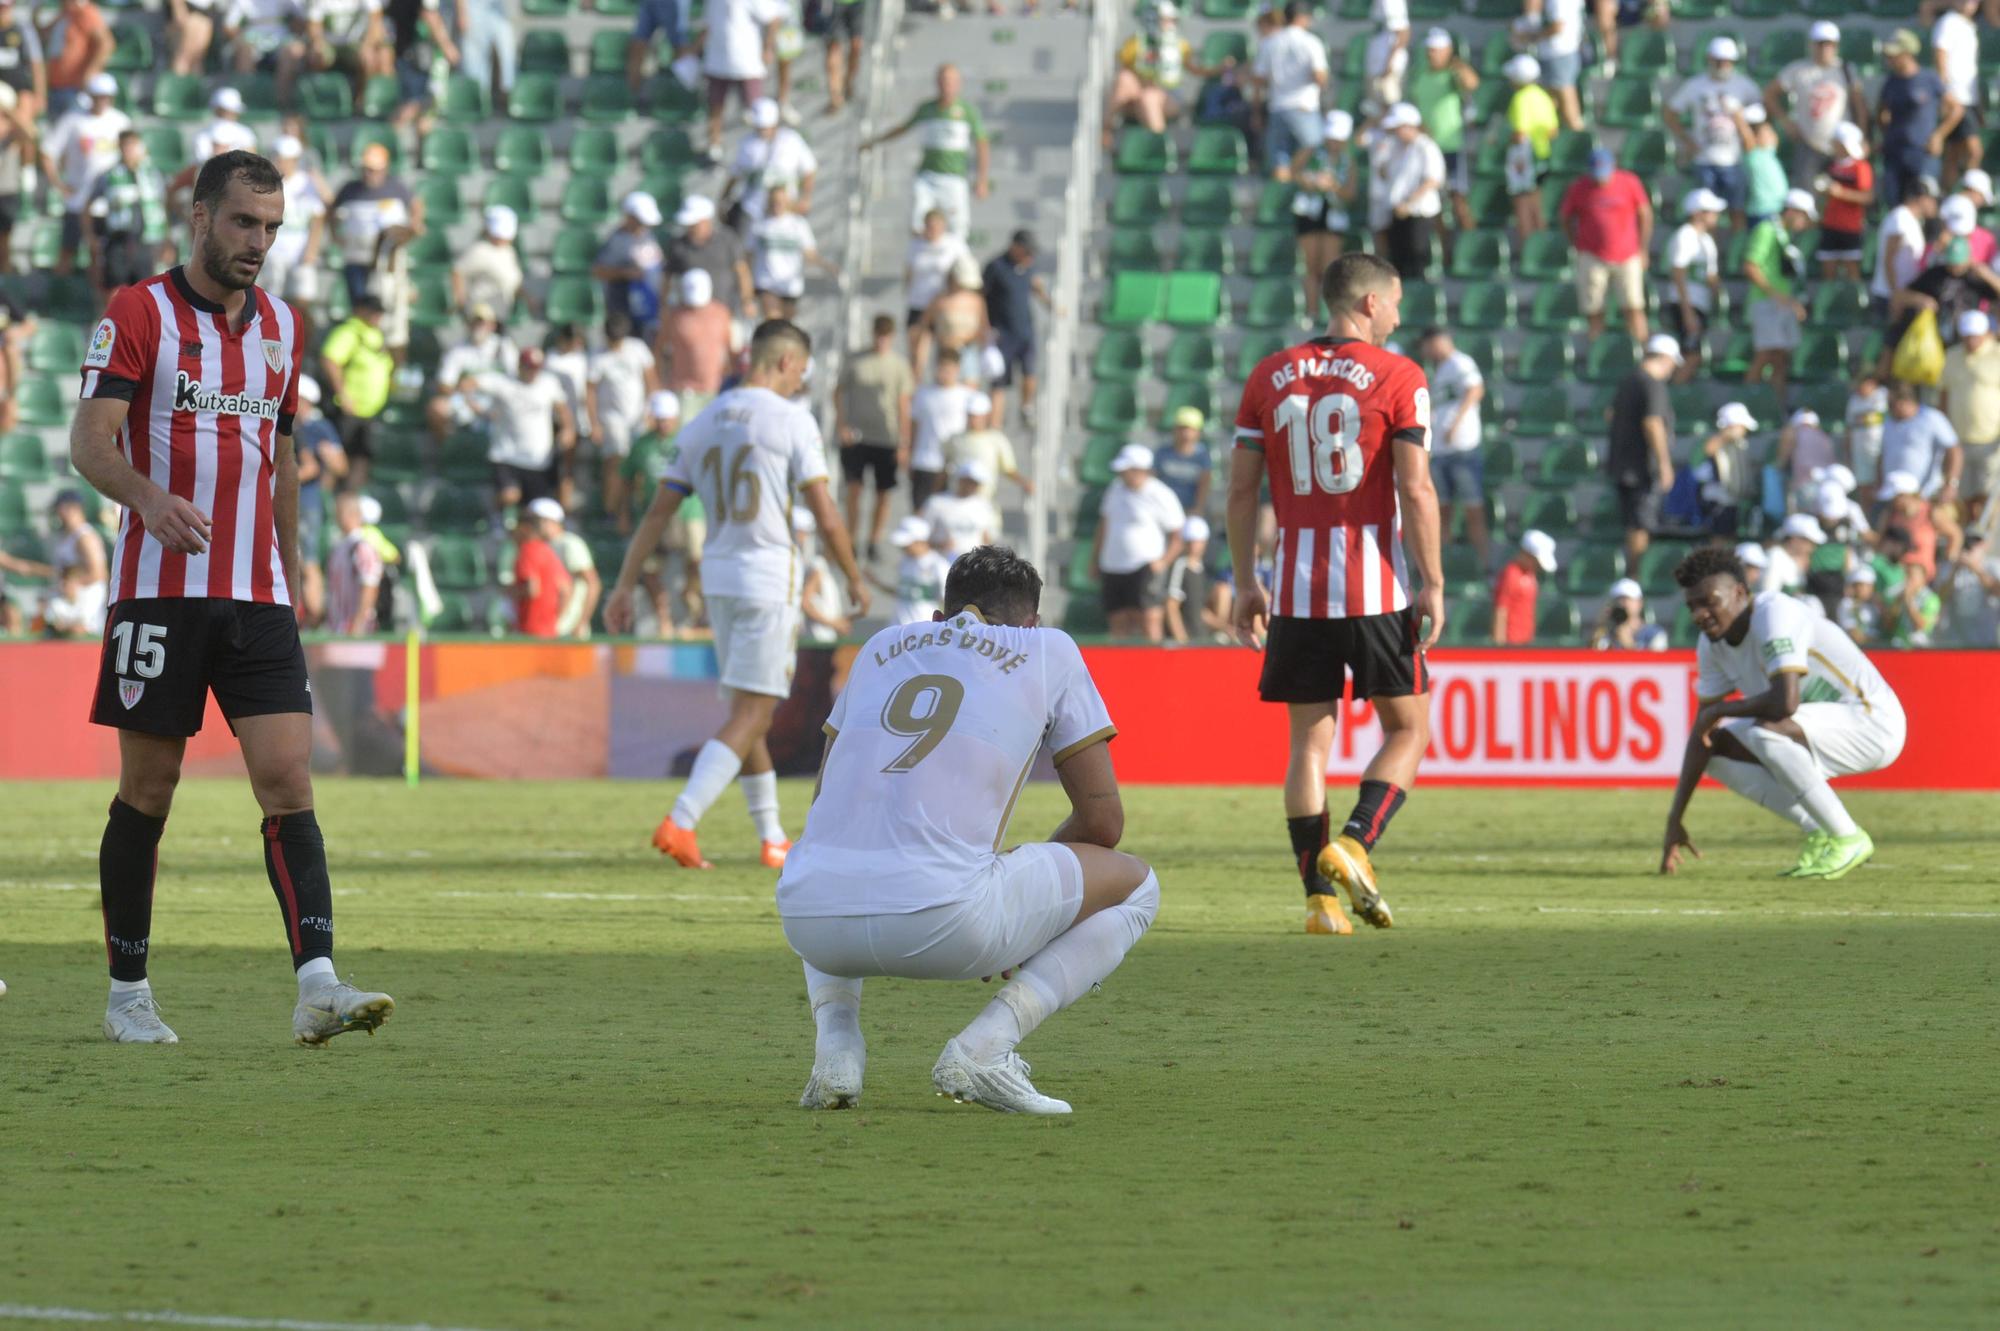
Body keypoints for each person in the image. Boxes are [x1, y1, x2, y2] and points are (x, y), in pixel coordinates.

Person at [70, 149, 393, 1046]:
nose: (260, 242)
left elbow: (282, 461)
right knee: (150, 785)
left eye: (274, 227)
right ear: (201, 217)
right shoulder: (139, 312)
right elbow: (90, 443)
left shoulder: (284, 327)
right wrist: (148, 498)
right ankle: (127, 994)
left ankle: (318, 985)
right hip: (157, 595)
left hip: (256, 595)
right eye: (245, 222)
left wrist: (291, 570)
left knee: (289, 779)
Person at [777, 545, 1156, 1115]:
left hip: (809, 921)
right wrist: (1033, 920)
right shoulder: (1048, 648)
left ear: (939, 615)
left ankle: (836, 1047)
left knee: (837, 845)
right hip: (950, 924)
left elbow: (827, 796)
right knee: (1139, 887)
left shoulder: (880, 646)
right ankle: (987, 1047)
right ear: (1030, 624)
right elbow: (1104, 822)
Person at [605, 320, 871, 871]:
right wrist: (854, 575)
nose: (800, 382)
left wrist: (626, 582)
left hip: (720, 577)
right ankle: (682, 819)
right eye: (800, 371)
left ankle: (773, 838)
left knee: (748, 713)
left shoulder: (701, 422)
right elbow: (824, 511)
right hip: (767, 575)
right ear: (782, 362)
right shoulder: (792, 420)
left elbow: (659, 510)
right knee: (754, 712)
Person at [1226, 252, 1439, 936]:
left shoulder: (1268, 374)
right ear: (1371, 303)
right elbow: (1415, 487)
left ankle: (1319, 903)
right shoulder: (1400, 375)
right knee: (1408, 727)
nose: (1401, 314)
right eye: (1397, 300)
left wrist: (1244, 580)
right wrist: (1432, 579)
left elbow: (1239, 489)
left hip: (1294, 589)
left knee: (1308, 747)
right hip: (1373, 584)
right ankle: (1353, 843)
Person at [1662, 546, 1905, 881]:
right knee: (1715, 749)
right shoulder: (1712, 644)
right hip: (1816, 725)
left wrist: (1720, 709)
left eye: (1709, 601)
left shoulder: (1775, 614)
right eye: (1692, 606)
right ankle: (1821, 830)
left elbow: (1784, 702)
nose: (1699, 614)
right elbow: (1701, 733)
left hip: (1874, 723)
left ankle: (1847, 837)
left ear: (1740, 592)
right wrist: (1675, 818)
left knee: (1766, 731)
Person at [865, 63, 989, 238]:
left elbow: (982, 144)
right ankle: (918, 261)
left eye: (951, 81)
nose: (947, 86)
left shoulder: (967, 111)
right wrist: (875, 141)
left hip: (954, 178)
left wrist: (981, 179)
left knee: (958, 229)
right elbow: (903, 128)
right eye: (944, 81)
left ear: (959, 84)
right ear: (937, 83)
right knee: (918, 223)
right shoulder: (927, 109)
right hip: (927, 176)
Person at [834, 314, 913, 560]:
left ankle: (873, 539)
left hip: (886, 437)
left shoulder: (899, 365)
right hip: (857, 436)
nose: (881, 341)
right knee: (854, 489)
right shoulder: (856, 360)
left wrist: (904, 441)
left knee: (883, 493)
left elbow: (903, 405)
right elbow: (838, 392)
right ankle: (851, 537)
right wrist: (841, 425)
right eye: (878, 335)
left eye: (886, 336)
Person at [39, 72, 129, 277]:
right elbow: (47, 152)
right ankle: (59, 297)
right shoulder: (73, 120)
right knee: (67, 252)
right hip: (77, 200)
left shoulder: (121, 122)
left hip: (107, 202)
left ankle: (97, 304)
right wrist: (59, 185)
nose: (102, 100)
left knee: (100, 256)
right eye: (98, 95)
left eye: (106, 96)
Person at [1560, 146, 1653, 343]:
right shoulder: (1579, 187)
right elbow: (1566, 217)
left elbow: (1645, 214)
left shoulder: (1629, 182)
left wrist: (1642, 249)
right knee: (1594, 310)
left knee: (1634, 307)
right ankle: (1597, 356)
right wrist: (1576, 244)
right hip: (1592, 255)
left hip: (1628, 254)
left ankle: (1641, 353)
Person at [1095, 445, 1185, 643]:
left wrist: (1162, 563)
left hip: (1144, 567)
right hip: (1113, 566)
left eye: (1126, 470)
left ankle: (1154, 669)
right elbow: (1104, 526)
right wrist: (1096, 560)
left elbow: (1177, 537)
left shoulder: (1161, 494)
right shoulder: (1114, 489)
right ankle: (1120, 669)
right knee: (1118, 620)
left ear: (1141, 470)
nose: (1122, 475)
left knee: (1149, 620)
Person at [1666, 36, 1758, 228]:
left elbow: (1760, 112)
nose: (1722, 65)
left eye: (1726, 61)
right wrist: (1687, 140)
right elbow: (1670, 113)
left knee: (1737, 211)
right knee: (1705, 216)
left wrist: (1744, 122)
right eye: (1718, 60)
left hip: (1734, 160)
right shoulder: (1695, 85)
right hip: (1704, 160)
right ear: (1709, 59)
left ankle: (1736, 252)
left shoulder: (1743, 84)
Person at [1419, 327, 1488, 569]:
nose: (1426, 351)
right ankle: (1443, 565)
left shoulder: (1460, 362)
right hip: (1441, 452)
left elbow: (1476, 389)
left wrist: (1455, 424)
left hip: (1462, 448)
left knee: (1473, 509)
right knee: (1442, 512)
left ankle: (1483, 564)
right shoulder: (1439, 371)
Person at [474, 346, 576, 511]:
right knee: (509, 494)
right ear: (520, 366)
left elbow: (563, 410)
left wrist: (568, 430)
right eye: (529, 367)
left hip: (538, 459)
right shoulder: (503, 382)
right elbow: (469, 383)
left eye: (536, 368)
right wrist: (477, 408)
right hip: (506, 454)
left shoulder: (549, 384)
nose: (532, 372)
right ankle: (494, 518)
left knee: (534, 507)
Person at [1607, 334, 1680, 564]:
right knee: (1640, 525)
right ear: (1666, 359)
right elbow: (1653, 423)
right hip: (1641, 468)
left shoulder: (1629, 380)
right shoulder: (1652, 384)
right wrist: (1664, 463)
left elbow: (1610, 415)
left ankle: (1633, 574)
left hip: (1622, 464)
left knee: (1633, 524)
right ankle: (1636, 576)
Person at [1284, 111, 1358, 326]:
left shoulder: (1348, 162)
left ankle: (1329, 315)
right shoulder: (1310, 152)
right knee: (1311, 265)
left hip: (1334, 215)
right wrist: (1310, 181)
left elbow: (1350, 195)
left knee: (1329, 267)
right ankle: (1312, 311)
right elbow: (1293, 172)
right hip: (1309, 212)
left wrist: (1333, 186)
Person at [587, 311, 660, 526]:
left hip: (639, 416)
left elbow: (651, 380)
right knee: (615, 464)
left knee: (638, 467)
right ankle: (611, 512)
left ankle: (633, 513)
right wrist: (594, 424)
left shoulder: (637, 349)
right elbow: (590, 391)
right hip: (612, 419)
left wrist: (651, 411)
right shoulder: (597, 356)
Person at [317, 292, 393, 489]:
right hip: (348, 410)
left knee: (362, 457)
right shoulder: (349, 332)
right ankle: (328, 505)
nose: (377, 316)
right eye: (373, 311)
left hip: (369, 411)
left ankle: (351, 501)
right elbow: (330, 360)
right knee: (337, 459)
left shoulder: (376, 335)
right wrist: (342, 394)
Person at [1405, 29, 1476, 238]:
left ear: (1447, 51)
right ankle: (1445, 252)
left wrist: (1458, 65)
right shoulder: (1421, 77)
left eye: (1437, 50)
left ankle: (1469, 243)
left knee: (1458, 200)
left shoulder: (1453, 75)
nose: (1432, 55)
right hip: (1428, 150)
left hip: (1451, 147)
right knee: (1433, 204)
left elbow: (1472, 83)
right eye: (1430, 51)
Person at [84, 130, 168, 305]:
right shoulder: (109, 175)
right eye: (126, 147)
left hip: (146, 241)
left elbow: (162, 207)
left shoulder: (153, 175)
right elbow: (87, 206)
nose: (130, 151)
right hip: (118, 240)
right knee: (114, 292)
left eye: (133, 146)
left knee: (147, 294)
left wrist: (166, 240)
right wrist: (91, 237)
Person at [700, 0, 787, 161]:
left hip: (747, 62)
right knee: (715, 106)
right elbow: (707, 25)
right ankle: (714, 146)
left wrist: (768, 47)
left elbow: (774, 16)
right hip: (717, 62)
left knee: (757, 110)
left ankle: (764, 152)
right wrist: (695, 49)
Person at [1877, 29, 1954, 213]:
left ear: (1907, 54)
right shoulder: (1891, 81)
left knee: (1925, 204)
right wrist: (1886, 135)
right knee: (1895, 207)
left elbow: (1955, 109)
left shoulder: (1929, 79)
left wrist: (1938, 135)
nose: (1890, 59)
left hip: (1922, 153)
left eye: (1894, 55)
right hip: (1895, 153)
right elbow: (1881, 112)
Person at [1249, 2, 1328, 172]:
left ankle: (1283, 193)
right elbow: (1320, 77)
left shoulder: (1270, 43)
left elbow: (1257, 80)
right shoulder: (1311, 42)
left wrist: (1256, 112)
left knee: (1280, 165)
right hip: (1304, 107)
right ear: (1301, 17)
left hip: (1277, 108)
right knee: (1313, 159)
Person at [291, 375, 343, 621]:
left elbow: (340, 466)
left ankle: (313, 617)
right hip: (298, 502)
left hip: (307, 502)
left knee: (308, 560)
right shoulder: (293, 427)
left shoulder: (319, 428)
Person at [426, 301, 517, 442]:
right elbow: (444, 384)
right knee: (437, 408)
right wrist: (464, 396)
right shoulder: (457, 351)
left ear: (492, 326)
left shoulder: (505, 347)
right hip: (466, 401)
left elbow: (515, 380)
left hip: (498, 401)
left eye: (483, 323)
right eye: (475, 322)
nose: (478, 327)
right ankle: (447, 451)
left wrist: (482, 384)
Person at [982, 230, 1047, 426]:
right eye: (1027, 251)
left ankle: (1026, 408)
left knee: (1030, 373)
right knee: (999, 384)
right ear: (1015, 247)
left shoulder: (1027, 268)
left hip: (1025, 331)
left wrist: (1050, 303)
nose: (1030, 257)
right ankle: (994, 424)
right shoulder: (996, 267)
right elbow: (981, 297)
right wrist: (985, 327)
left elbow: (1035, 286)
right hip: (1002, 334)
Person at [1376, 102, 1444, 281]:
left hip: (1418, 213)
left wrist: (1408, 203)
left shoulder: (1426, 147)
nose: (1395, 132)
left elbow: (1432, 180)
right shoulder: (1395, 148)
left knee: (1416, 259)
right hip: (1398, 212)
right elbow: (1385, 175)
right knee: (1398, 262)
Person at [257, 135, 326, 310]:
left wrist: (311, 250)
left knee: (302, 302)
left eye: (283, 158)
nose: (278, 162)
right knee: (272, 300)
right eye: (276, 157)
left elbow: (317, 218)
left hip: (300, 252)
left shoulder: (307, 182)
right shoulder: (265, 183)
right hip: (273, 252)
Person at [1939, 309, 2000, 507]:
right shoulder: (1951, 355)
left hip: (1991, 439)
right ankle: (1967, 535)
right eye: (1967, 336)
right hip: (1959, 439)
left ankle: (1984, 536)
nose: (1970, 340)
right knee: (1963, 496)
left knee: (1987, 493)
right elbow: (1944, 393)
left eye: (1974, 336)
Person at [747, 182, 833, 320]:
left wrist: (828, 266)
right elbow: (749, 255)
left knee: (786, 326)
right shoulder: (760, 224)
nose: (777, 205)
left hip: (789, 284)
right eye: (774, 201)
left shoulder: (798, 224)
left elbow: (809, 252)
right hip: (767, 282)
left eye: (781, 201)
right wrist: (748, 287)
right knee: (773, 321)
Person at [1663, 187, 1723, 381]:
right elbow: (1678, 274)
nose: (1716, 215)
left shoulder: (1706, 240)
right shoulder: (1684, 236)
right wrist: (1687, 311)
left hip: (1699, 305)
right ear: (1698, 213)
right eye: (1711, 211)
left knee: (1693, 356)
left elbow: (1711, 276)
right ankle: (1672, 402)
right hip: (1686, 305)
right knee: (1690, 357)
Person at [728, 97, 817, 228]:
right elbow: (736, 173)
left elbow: (809, 169)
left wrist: (805, 198)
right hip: (753, 207)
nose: (762, 130)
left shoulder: (791, 139)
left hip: (784, 208)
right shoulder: (747, 143)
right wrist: (725, 198)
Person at [904, 206, 972, 375]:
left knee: (947, 357)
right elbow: (909, 271)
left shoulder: (954, 245)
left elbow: (966, 273)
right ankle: (916, 396)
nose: (932, 229)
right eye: (929, 225)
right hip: (919, 304)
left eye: (936, 225)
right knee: (917, 357)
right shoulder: (915, 245)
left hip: (944, 307)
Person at [667, 193, 755, 320]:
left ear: (706, 221)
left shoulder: (727, 239)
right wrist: (665, 306)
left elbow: (742, 272)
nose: (690, 228)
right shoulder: (679, 245)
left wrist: (747, 300)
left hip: (726, 311)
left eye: (694, 224)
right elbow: (667, 277)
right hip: (690, 314)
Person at [658, 267, 732, 413]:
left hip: (715, 389)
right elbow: (660, 348)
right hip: (685, 390)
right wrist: (661, 382)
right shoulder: (674, 316)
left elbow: (730, 349)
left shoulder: (722, 313)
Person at [594, 190, 668, 336]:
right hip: (625, 311)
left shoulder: (647, 236)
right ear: (630, 217)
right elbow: (598, 271)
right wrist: (625, 273)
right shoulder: (617, 241)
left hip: (649, 306)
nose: (644, 226)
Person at [1880, 380, 1964, 502]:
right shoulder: (1889, 421)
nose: (1890, 409)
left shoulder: (1932, 417)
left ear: (1905, 402)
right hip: (1892, 494)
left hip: (1925, 495)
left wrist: (1951, 483)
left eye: (1892, 404)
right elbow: (1883, 454)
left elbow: (1954, 450)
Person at [528, 498, 600, 639]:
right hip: (550, 625)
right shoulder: (541, 546)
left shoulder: (570, 544)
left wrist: (582, 622)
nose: (532, 526)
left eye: (535, 521)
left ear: (549, 521)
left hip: (569, 627)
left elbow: (593, 583)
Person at [908, 353, 974, 509]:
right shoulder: (923, 394)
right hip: (925, 461)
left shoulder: (966, 396)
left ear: (957, 369)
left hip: (954, 466)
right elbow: (914, 426)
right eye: (942, 367)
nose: (945, 372)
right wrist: (910, 454)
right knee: (920, 510)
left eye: (949, 368)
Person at [1871, 176, 1938, 322]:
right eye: (1932, 199)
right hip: (1890, 296)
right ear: (1921, 198)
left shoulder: (1911, 220)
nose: (1934, 204)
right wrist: (1896, 294)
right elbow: (1889, 258)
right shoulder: (1900, 218)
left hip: (1901, 294)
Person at [943, 392, 1031, 502]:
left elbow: (1008, 469)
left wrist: (1024, 483)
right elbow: (944, 467)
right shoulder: (955, 439)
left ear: (986, 416)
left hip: (985, 501)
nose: (973, 420)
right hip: (957, 501)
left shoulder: (997, 439)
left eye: (976, 416)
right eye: (970, 415)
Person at [1502, 54, 1554, 239]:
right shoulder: (1543, 96)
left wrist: (1502, 143)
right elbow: (1552, 130)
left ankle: (1529, 251)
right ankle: (1540, 247)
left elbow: (1520, 134)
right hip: (1542, 156)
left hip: (1525, 159)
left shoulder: (1520, 98)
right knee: (1537, 206)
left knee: (1523, 207)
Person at [1932, 0, 1982, 186]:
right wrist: (1945, 92)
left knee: (1953, 152)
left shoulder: (1968, 26)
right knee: (1974, 151)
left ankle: (1946, 194)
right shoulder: (1948, 22)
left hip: (1968, 97)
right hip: (1956, 97)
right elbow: (1940, 54)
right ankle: (1970, 190)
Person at [1816, 122, 1872, 282]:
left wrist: (1841, 193)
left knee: (1851, 270)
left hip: (1850, 227)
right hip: (1829, 224)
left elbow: (1867, 197)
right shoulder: (1830, 164)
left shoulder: (1860, 167)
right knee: (1828, 270)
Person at [508, 503, 571, 637]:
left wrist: (510, 592)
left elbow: (532, 589)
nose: (513, 534)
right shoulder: (547, 550)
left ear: (525, 528)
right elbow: (566, 590)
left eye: (516, 529)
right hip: (549, 632)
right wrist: (554, 618)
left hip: (530, 631)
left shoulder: (527, 550)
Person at [324, 491, 382, 635]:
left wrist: (358, 626)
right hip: (337, 630)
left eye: (339, 512)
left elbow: (370, 586)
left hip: (355, 633)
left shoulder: (361, 547)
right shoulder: (339, 548)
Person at [1523, 0, 1586, 132]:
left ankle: (1582, 144)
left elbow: (1558, 26)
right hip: (1559, 53)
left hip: (1559, 54)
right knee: (1550, 109)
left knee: (1569, 111)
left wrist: (1534, 37)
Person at [451, 204, 522, 320]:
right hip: (482, 312)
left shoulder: (509, 251)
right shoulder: (480, 250)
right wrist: (461, 302)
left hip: (502, 310)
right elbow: (458, 271)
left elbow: (514, 281)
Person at [920, 460, 999, 561]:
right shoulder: (936, 503)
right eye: (969, 481)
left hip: (973, 564)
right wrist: (940, 545)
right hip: (941, 564)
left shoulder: (984, 506)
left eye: (976, 483)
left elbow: (986, 537)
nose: (972, 486)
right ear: (960, 479)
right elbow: (920, 538)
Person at [879, 513, 947, 623]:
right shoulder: (904, 562)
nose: (903, 548)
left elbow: (945, 599)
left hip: (923, 629)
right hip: (897, 627)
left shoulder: (938, 565)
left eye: (907, 544)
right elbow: (901, 593)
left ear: (920, 541)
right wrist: (875, 582)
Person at [41, 0, 113, 98]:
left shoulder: (86, 12)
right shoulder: (65, 13)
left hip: (73, 88)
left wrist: (90, 72)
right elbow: (43, 34)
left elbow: (105, 44)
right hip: (54, 86)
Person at [1492, 528, 1553, 644]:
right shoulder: (1511, 574)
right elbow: (1501, 611)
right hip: (1511, 644)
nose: (1538, 566)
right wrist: (1499, 647)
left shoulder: (1530, 575)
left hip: (1525, 641)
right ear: (1527, 554)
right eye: (1536, 561)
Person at [1152, 406, 1212, 517]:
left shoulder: (1202, 455)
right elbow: (1153, 480)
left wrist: (1197, 509)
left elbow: (1204, 484)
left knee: (1196, 531)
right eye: (1181, 428)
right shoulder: (1162, 453)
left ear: (1198, 432)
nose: (1185, 433)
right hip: (1163, 509)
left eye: (1190, 429)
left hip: (1190, 510)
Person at [1593, 576, 1667, 651]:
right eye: (1618, 599)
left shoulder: (1654, 634)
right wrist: (1601, 625)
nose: (1622, 604)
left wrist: (1630, 645)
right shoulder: (1606, 633)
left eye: (1627, 599)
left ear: (1639, 603)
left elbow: (1657, 660)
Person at [822, 0, 863, 112]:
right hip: (834, 4)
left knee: (856, 46)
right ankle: (835, 96)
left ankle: (848, 82)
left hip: (857, 4)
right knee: (833, 49)